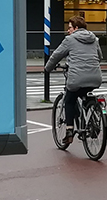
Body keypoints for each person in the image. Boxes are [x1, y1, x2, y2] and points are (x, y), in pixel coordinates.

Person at [44, 16, 103, 145]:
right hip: (95, 77)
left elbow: (56, 55)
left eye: (70, 27)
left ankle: (69, 131)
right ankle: (91, 119)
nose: (68, 30)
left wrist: (47, 68)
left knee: (69, 100)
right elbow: (100, 56)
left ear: (76, 28)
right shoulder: (94, 38)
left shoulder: (69, 40)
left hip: (77, 78)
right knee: (83, 94)